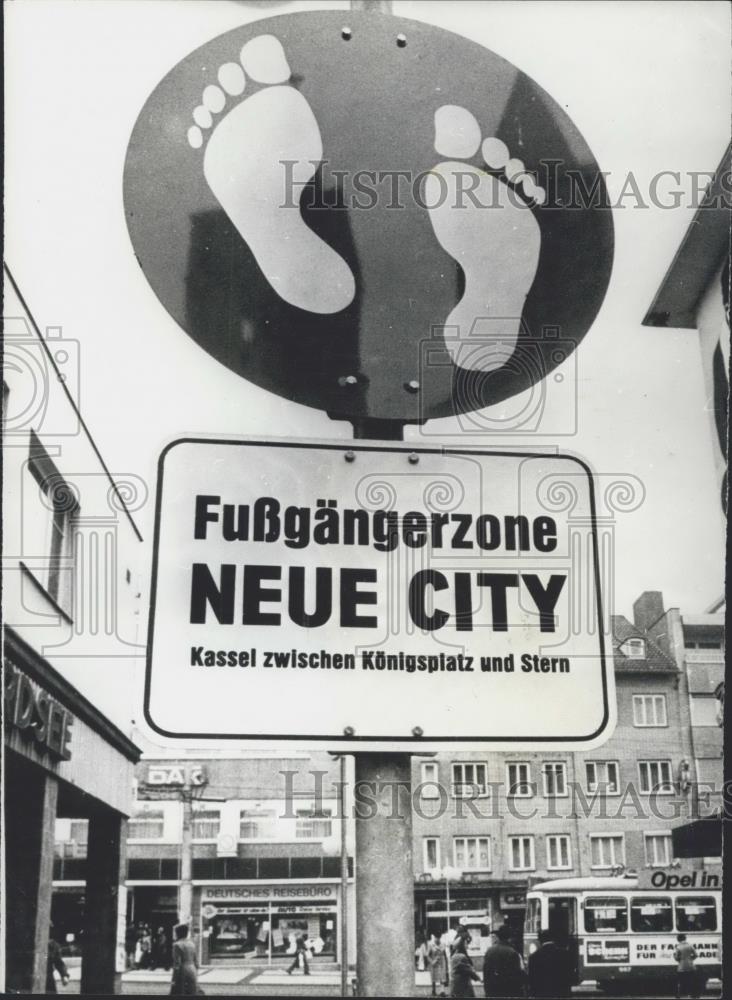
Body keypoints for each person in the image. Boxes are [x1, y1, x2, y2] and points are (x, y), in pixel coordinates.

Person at [482, 925, 525, 998]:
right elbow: (516, 976)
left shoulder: (489, 951)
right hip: (507, 992)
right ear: (510, 938)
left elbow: (486, 972)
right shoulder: (512, 953)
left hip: (492, 991)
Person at [527, 929, 573, 997]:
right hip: (561, 993)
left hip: (542, 993)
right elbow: (570, 975)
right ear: (553, 939)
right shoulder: (565, 954)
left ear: (539, 940)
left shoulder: (534, 957)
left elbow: (532, 980)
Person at [170, 923, 199, 996]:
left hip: (183, 971)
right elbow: (196, 962)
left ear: (178, 933)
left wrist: (174, 979)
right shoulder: (192, 944)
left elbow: (177, 964)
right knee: (191, 992)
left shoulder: (177, 945)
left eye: (175, 932)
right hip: (192, 970)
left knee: (180, 992)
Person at [674, 933, 699, 999]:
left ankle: (678, 995)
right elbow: (696, 955)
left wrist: (679, 960)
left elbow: (676, 957)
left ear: (678, 939)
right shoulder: (690, 945)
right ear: (685, 938)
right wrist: (691, 959)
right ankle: (693, 995)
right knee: (692, 981)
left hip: (682, 967)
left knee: (680, 981)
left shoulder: (678, 947)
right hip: (691, 966)